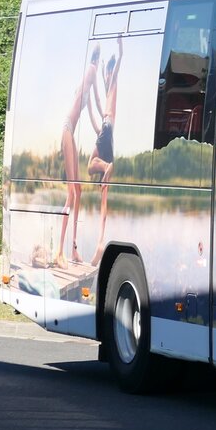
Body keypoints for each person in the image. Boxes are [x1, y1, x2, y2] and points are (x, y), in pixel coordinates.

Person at [56, 44, 103, 268]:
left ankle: (73, 249)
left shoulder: (88, 74)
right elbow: (96, 104)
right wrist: (101, 126)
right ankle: (59, 252)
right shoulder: (92, 71)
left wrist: (99, 128)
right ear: (97, 57)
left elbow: (91, 106)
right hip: (67, 129)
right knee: (71, 193)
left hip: (70, 132)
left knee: (79, 190)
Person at [87, 43, 122, 265]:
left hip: (107, 129)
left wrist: (120, 48)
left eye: (109, 73)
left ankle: (106, 167)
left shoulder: (113, 85)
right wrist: (100, 73)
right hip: (109, 136)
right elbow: (100, 103)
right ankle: (100, 243)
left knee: (91, 165)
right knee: (103, 197)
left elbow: (116, 68)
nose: (108, 76)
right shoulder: (109, 88)